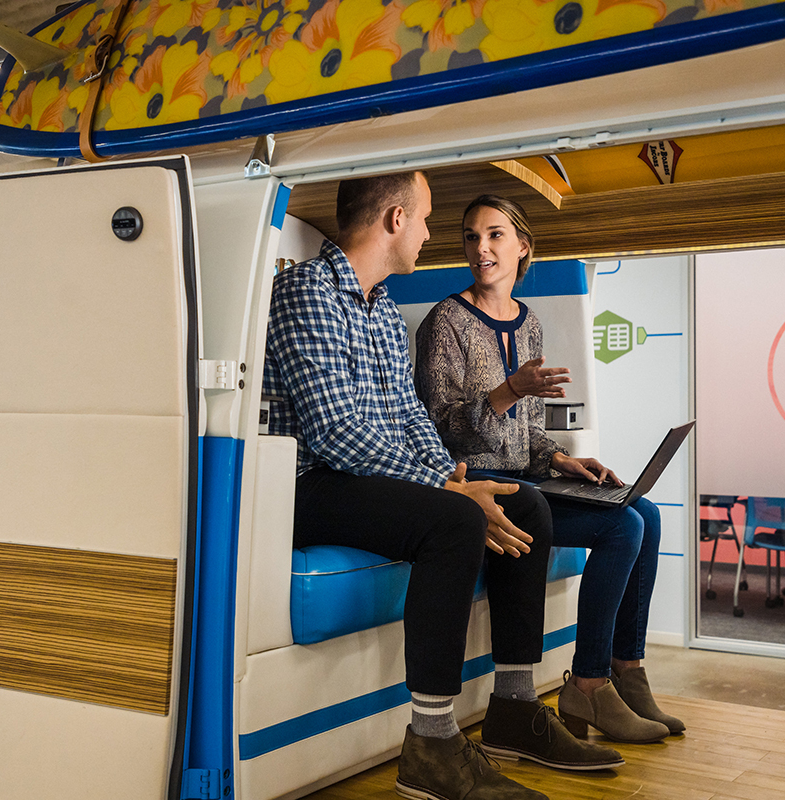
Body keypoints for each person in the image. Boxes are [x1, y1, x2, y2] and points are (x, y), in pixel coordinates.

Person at [263, 173, 624, 800]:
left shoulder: (376, 307)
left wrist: (455, 476)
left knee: (525, 503)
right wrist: (448, 490)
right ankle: (431, 743)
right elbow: (334, 429)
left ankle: (513, 709)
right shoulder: (306, 289)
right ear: (396, 219)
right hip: (310, 482)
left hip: (366, 475)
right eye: (429, 220)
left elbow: (407, 416)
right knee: (454, 520)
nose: (433, 235)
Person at [414, 194, 684, 746]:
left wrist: (561, 459)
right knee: (624, 526)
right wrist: (508, 391)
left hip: (531, 478)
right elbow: (438, 428)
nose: (480, 247)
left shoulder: (529, 324)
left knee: (647, 514)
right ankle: (586, 685)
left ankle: (627, 671)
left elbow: (529, 431)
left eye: (493, 235)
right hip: (483, 487)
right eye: (471, 236)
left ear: (522, 247)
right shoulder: (445, 321)